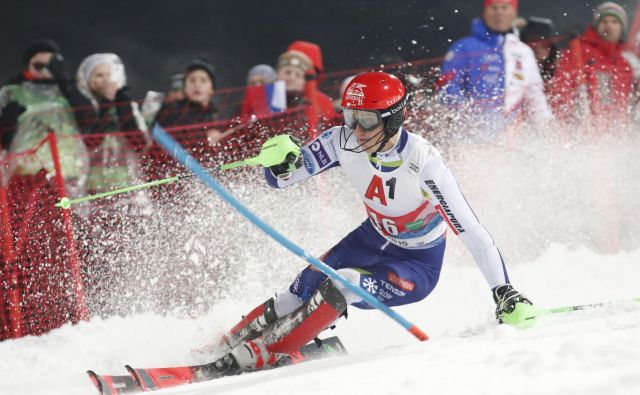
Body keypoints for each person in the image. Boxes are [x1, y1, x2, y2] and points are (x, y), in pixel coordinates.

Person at [207, 72, 534, 375]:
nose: (356, 130)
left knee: (343, 282)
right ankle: (222, 346)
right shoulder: (342, 140)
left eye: (365, 120)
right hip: (369, 239)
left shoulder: (425, 164)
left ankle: (269, 350)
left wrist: (503, 291)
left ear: (392, 120)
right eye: (350, 118)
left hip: (415, 264)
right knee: (298, 291)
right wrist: (277, 161)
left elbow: (472, 231)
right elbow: (282, 179)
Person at [439, 0, 552, 139]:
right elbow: (447, 86)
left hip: (511, 138)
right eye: (494, 8)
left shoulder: (523, 51)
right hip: (470, 135)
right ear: (485, 12)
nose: (499, 12)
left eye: (504, 7)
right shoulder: (464, 47)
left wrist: (548, 132)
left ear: (513, 12)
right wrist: (465, 119)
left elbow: (536, 96)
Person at [0, 38, 87, 183]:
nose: (45, 71)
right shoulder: (13, 92)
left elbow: (87, 117)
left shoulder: (67, 91)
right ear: (28, 65)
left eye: (51, 66)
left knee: (66, 205)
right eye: (39, 65)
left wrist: (65, 82)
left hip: (65, 167)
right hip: (25, 168)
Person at [74, 53, 148, 194]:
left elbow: (140, 144)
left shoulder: (126, 104)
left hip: (127, 183)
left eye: (109, 75)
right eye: (99, 75)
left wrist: (123, 106)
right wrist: (106, 104)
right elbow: (89, 143)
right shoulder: (84, 106)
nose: (105, 80)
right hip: (93, 184)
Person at [549, 1, 634, 124]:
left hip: (609, 131)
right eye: (604, 21)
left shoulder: (624, 65)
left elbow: (623, 104)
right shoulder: (578, 52)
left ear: (622, 28)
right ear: (596, 26)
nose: (609, 26)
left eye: (614, 22)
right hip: (579, 126)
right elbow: (561, 89)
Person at [520, 17, 560, 84]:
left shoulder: (561, 74)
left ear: (552, 49)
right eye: (532, 43)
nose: (538, 48)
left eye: (544, 45)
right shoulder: (512, 68)